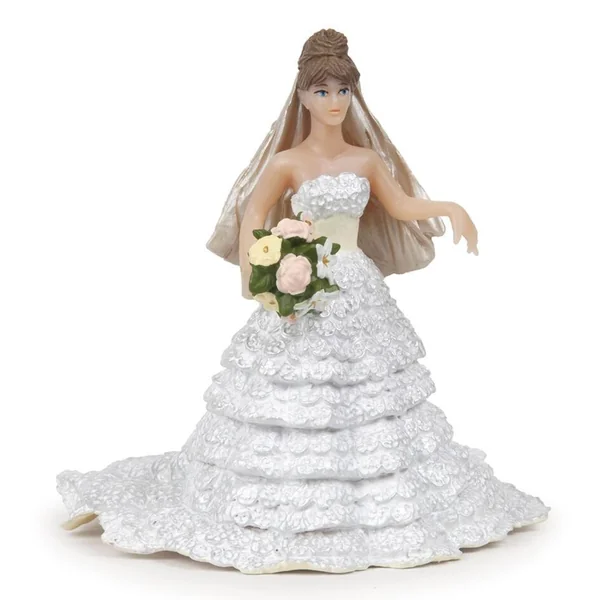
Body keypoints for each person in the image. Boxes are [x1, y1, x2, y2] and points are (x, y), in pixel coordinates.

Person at [56, 28, 550, 574]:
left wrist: (451, 207)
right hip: (305, 281)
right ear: (302, 96)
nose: (334, 102)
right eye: (322, 91)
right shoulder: (287, 161)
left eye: (343, 91)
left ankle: (368, 488)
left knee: (367, 387)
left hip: (355, 286)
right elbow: (253, 214)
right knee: (292, 388)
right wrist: (258, 274)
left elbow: (401, 204)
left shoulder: (366, 160)